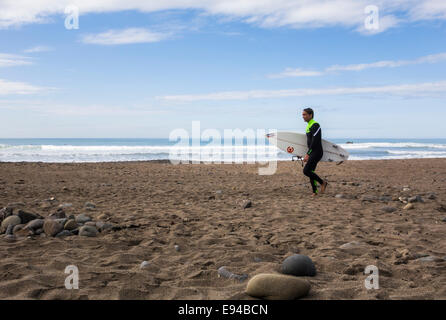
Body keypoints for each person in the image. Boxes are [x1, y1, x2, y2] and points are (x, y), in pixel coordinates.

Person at [302, 108, 328, 196]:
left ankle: (322, 182)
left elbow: (315, 141)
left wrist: (307, 154)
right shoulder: (309, 126)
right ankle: (315, 191)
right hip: (313, 151)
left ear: (310, 115)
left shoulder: (315, 125)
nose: (303, 117)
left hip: (317, 152)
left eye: (305, 114)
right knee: (311, 171)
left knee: (306, 171)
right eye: (302, 115)